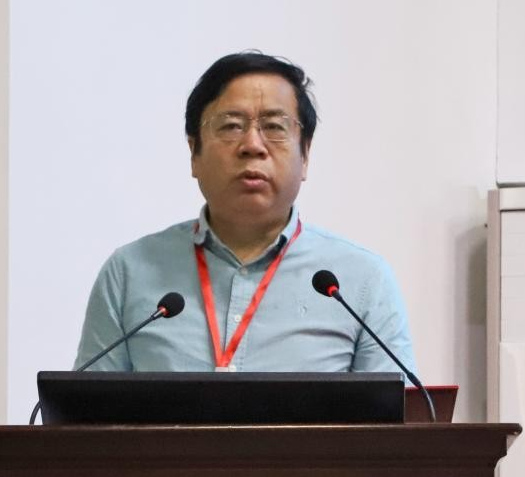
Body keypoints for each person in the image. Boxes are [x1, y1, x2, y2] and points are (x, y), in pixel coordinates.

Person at [75, 51, 415, 374]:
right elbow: (85, 413)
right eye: (231, 126)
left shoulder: (361, 282)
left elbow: (399, 415)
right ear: (194, 153)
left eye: (275, 127)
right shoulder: (129, 273)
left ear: (305, 155)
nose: (252, 145)